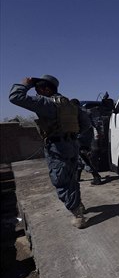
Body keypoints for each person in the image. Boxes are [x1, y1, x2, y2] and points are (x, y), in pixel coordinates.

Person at [9, 75, 90, 228]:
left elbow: (15, 97)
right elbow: (86, 124)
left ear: (47, 89)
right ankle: (77, 203)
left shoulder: (45, 103)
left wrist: (25, 84)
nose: (37, 94)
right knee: (71, 178)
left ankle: (77, 213)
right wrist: (71, 135)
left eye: (38, 90)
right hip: (72, 145)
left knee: (61, 181)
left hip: (57, 148)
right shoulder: (70, 104)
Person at [70, 99, 102, 185]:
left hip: (78, 137)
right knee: (80, 156)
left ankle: (96, 176)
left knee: (83, 156)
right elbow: (94, 124)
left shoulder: (74, 113)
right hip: (88, 137)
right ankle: (78, 176)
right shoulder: (87, 112)